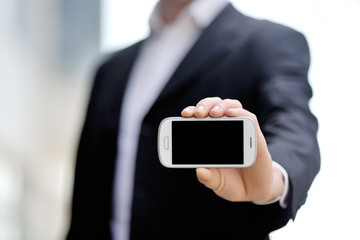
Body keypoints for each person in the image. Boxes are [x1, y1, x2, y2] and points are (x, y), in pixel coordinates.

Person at [66, 0, 320, 239]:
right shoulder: (110, 70)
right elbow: (85, 203)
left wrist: (272, 178)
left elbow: (293, 126)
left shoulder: (269, 43)